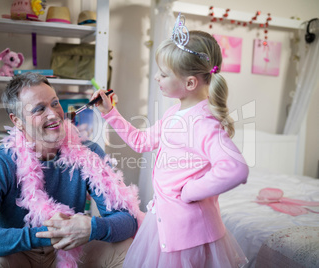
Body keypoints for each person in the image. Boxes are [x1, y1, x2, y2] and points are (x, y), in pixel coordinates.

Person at [92, 13, 249, 268]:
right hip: (168, 222)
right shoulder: (174, 113)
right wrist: (111, 113)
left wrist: (189, 191)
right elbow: (141, 142)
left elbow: (236, 168)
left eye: (163, 74)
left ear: (189, 82)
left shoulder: (202, 122)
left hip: (189, 234)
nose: (157, 78)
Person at [0, 72, 143, 268]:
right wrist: (45, 236)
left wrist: (92, 228)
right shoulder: (2, 162)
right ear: (17, 121)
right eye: (39, 109)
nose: (53, 114)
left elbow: (128, 219)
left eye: (55, 103)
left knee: (126, 248)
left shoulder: (88, 152)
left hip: (71, 251)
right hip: (18, 252)